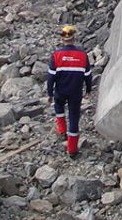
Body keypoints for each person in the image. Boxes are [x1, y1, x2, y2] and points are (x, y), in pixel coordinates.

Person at [46, 25, 92, 158]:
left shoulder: (56, 56)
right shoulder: (83, 55)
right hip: (75, 93)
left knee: (58, 105)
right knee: (74, 118)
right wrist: (88, 90)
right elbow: (88, 75)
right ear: (74, 38)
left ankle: (61, 130)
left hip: (60, 91)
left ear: (62, 39)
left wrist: (49, 93)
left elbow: (51, 77)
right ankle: (72, 150)